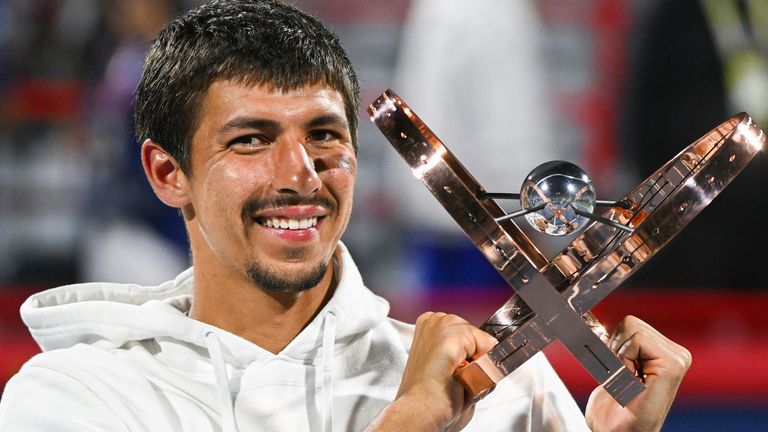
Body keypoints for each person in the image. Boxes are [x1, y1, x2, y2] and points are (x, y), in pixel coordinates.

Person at [0, 1, 691, 431]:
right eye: (252, 139)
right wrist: (411, 424)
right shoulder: (78, 398)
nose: (301, 174)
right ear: (166, 172)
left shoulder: (507, 388)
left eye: (325, 136)